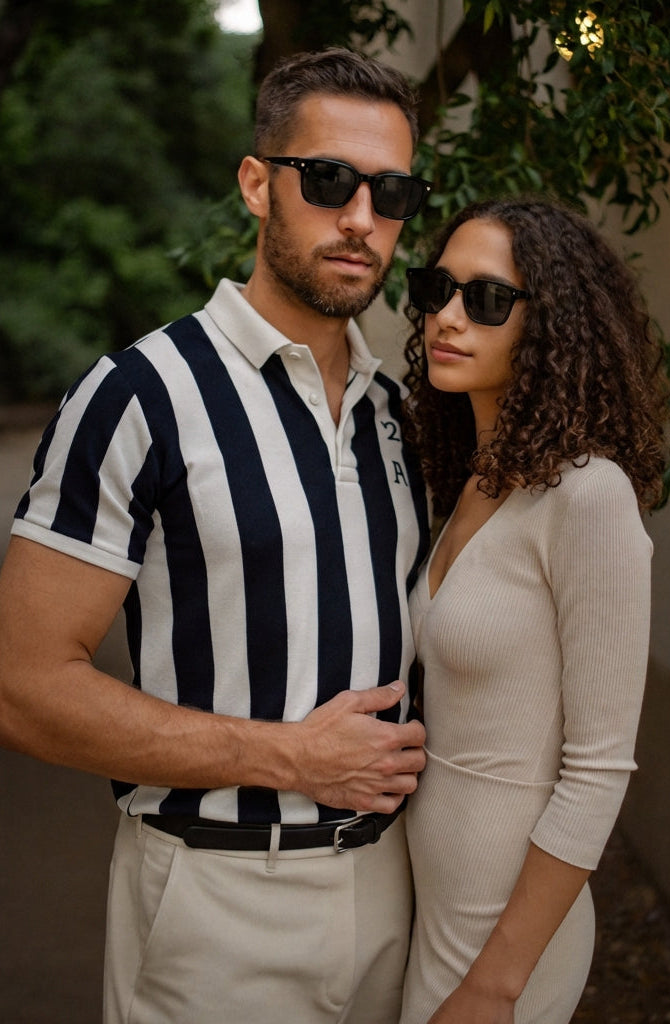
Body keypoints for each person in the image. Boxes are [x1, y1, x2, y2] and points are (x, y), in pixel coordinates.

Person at [0, 48, 432, 1024]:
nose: (361, 218)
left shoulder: (397, 414)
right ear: (256, 184)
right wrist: (288, 757)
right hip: (217, 905)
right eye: (328, 180)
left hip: (393, 892)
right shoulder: (140, 394)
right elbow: (23, 687)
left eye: (392, 193)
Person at [397, 197, 668, 1024]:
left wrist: (496, 983)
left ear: (549, 325)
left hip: (503, 936)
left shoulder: (587, 496)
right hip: (430, 904)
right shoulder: (475, 484)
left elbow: (597, 774)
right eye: (437, 289)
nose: (447, 317)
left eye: (484, 299)